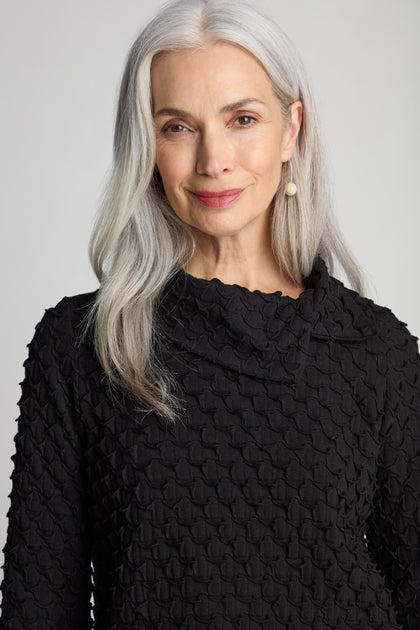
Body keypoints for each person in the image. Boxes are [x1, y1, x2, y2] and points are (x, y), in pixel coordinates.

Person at [1, 0, 419, 628]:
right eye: (177, 126)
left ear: (291, 130)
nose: (213, 160)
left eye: (242, 119)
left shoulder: (376, 350)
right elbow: (40, 607)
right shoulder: (84, 346)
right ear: (147, 144)